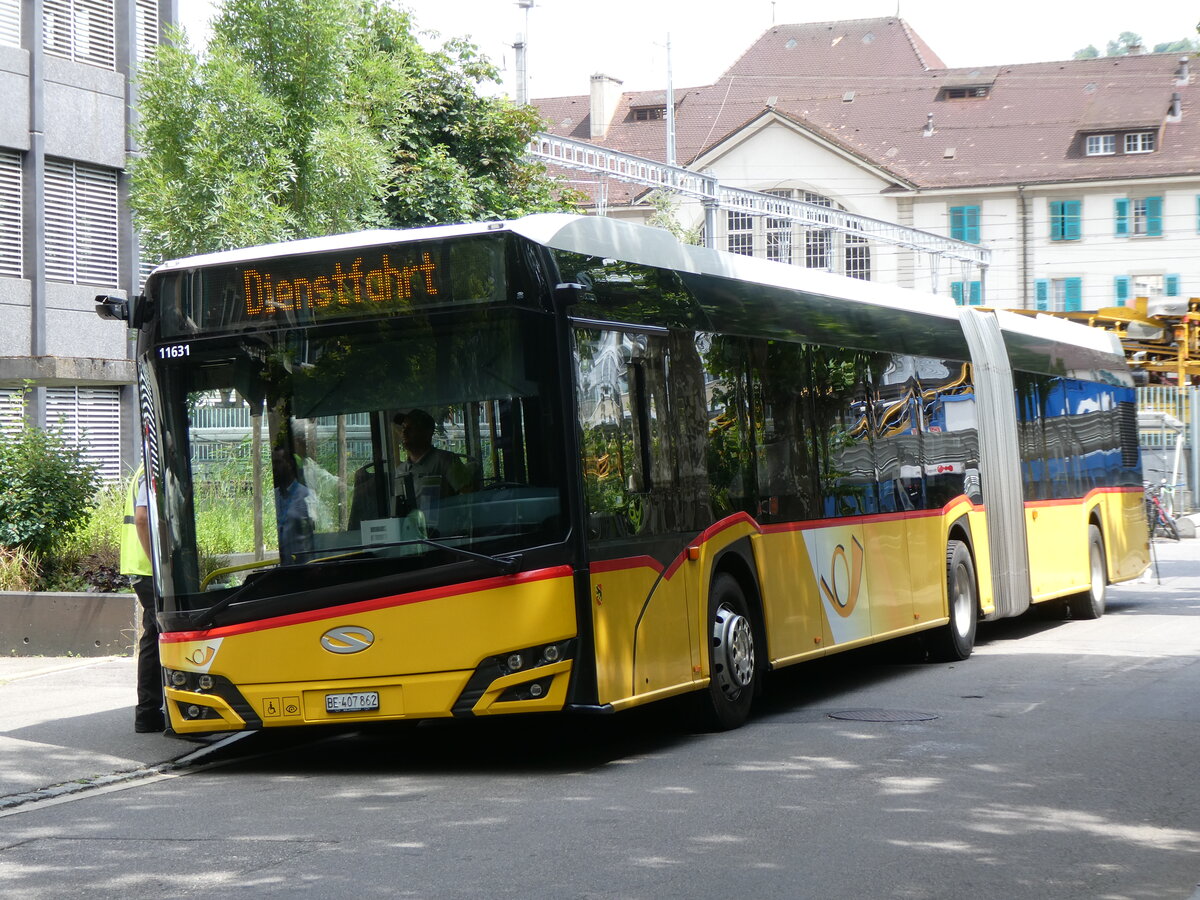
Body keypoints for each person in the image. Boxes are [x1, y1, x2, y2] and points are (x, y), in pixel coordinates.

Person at [120, 464, 164, 733]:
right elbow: (141, 518)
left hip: (141, 568)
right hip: (148, 568)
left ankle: (150, 711)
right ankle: (147, 712)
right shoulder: (152, 468)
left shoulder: (144, 467)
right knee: (156, 634)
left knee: (155, 634)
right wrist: (158, 566)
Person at [392, 409, 472, 516]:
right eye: (403, 428)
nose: (404, 432)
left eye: (411, 428)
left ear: (427, 433)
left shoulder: (446, 461)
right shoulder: (401, 471)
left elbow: (469, 497)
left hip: (444, 531)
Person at [272, 445, 317, 562]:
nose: (274, 467)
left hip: (303, 567)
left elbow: (315, 534)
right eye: (273, 463)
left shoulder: (307, 495)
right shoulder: (274, 495)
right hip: (283, 567)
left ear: (290, 465)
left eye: (278, 463)